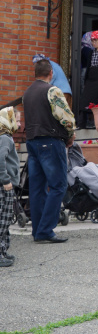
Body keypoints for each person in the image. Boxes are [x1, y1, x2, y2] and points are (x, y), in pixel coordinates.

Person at [23, 59, 75, 243]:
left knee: (37, 188)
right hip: (50, 141)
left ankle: (38, 230)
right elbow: (66, 117)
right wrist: (70, 135)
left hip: (32, 142)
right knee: (58, 185)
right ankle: (46, 230)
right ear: (51, 73)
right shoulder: (52, 90)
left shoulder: (27, 92)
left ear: (35, 73)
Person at [0, 107, 21, 266]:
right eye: (17, 120)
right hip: (4, 186)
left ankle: (3, 251)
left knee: (5, 220)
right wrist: (5, 179)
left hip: (5, 185)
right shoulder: (5, 138)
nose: (19, 125)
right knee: (3, 220)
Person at [79, 30, 98, 128]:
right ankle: (82, 123)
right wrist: (86, 78)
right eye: (92, 41)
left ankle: (95, 123)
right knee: (85, 100)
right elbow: (88, 66)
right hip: (91, 78)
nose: (93, 43)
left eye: (95, 40)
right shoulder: (91, 52)